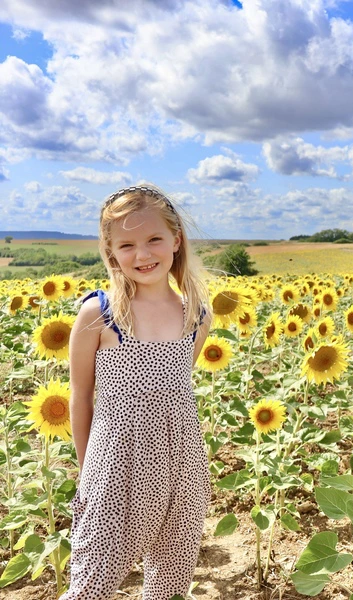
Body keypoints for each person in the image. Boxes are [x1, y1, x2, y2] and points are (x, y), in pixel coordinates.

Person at [63, 184, 211, 600]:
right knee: (91, 585)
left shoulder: (197, 315)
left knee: (169, 584)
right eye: (127, 245)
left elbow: (176, 390)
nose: (143, 255)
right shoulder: (99, 314)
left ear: (176, 240)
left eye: (154, 240)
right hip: (116, 468)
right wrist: (86, 471)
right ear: (111, 254)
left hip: (184, 466)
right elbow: (81, 398)